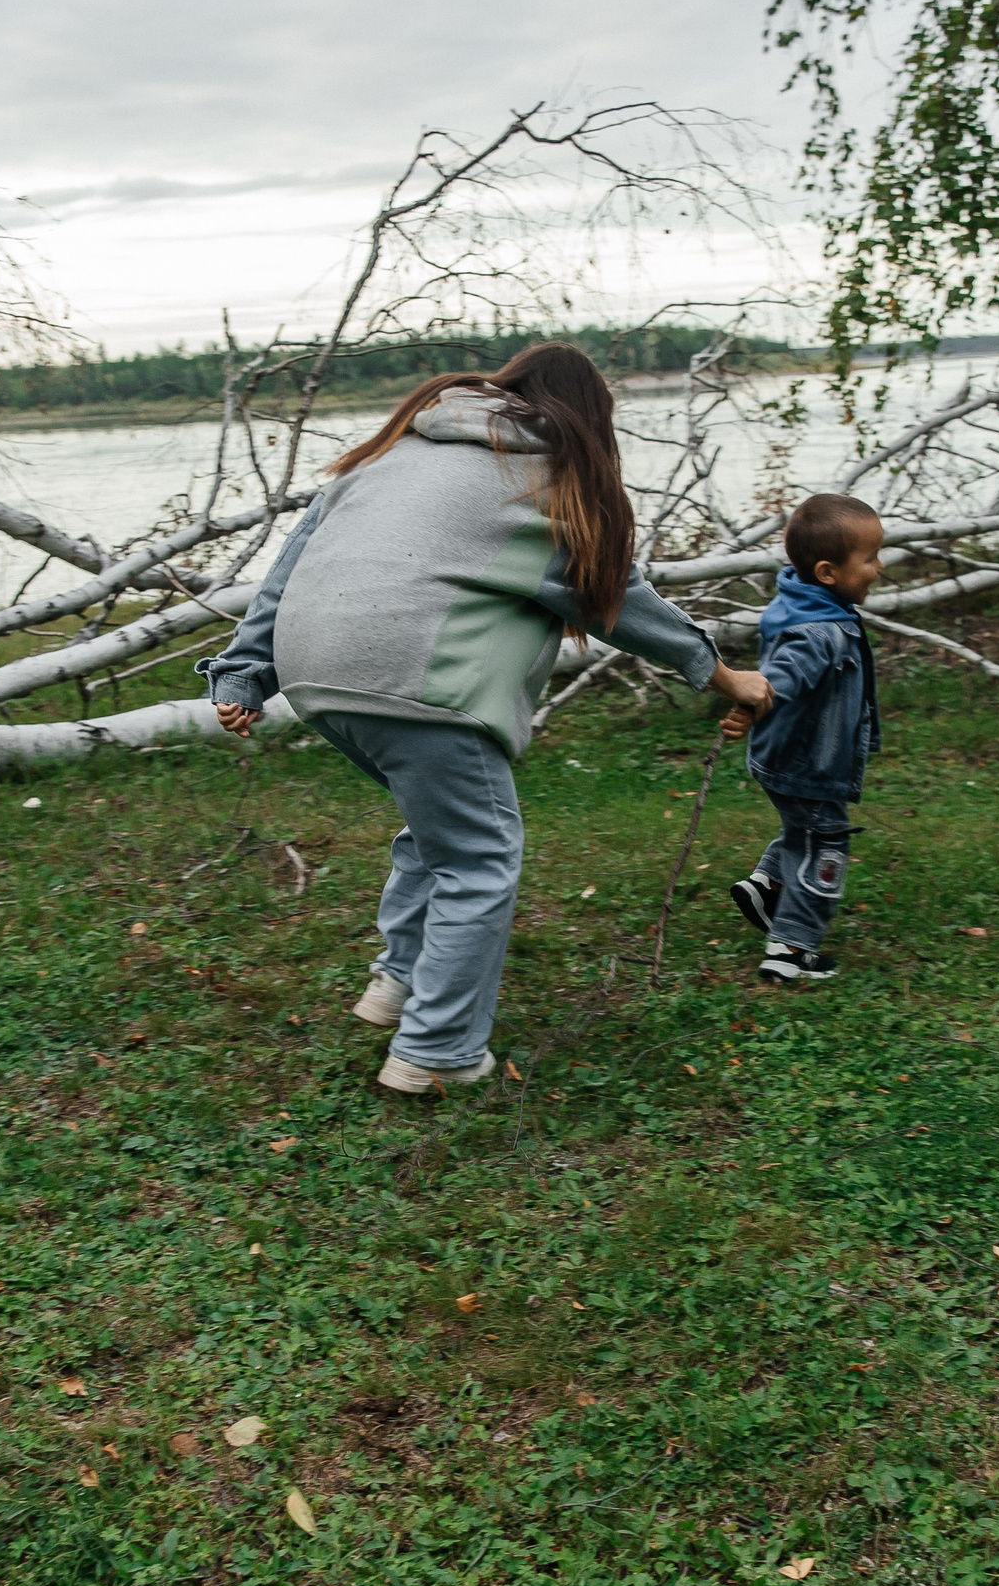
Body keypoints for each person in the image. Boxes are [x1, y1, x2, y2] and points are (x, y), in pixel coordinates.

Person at [200, 342, 776, 1093]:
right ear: (587, 417)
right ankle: (434, 1054)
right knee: (479, 856)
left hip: (314, 672)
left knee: (439, 828)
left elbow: (287, 568)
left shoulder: (391, 453)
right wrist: (724, 674)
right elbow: (617, 600)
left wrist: (247, 672)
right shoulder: (540, 476)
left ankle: (396, 984)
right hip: (416, 680)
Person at [722, 493, 885, 982]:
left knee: (804, 828)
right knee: (825, 842)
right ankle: (792, 948)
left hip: (784, 758)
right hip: (807, 763)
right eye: (871, 558)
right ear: (828, 572)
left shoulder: (797, 600)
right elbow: (782, 677)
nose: (879, 568)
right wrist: (750, 706)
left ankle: (768, 884)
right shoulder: (819, 631)